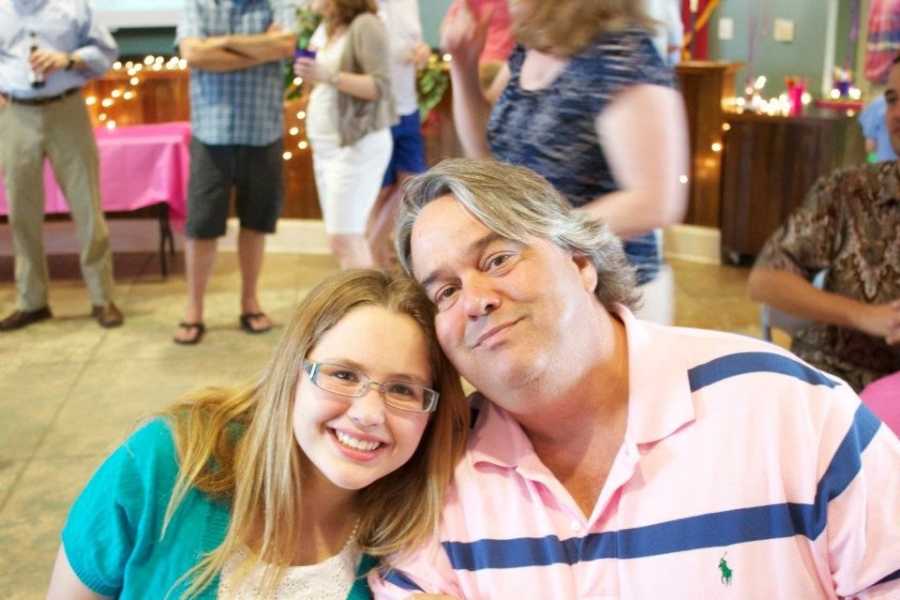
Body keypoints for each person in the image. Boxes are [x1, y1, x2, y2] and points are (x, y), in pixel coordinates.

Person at [369, 158, 900, 598]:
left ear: (579, 262)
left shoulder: (791, 412)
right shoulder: (442, 478)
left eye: (499, 258)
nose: (475, 300)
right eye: (444, 292)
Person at [46, 269, 469, 599]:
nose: (369, 413)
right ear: (292, 372)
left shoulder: (413, 544)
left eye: (402, 390)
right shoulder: (167, 461)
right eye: (342, 374)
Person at [440, 0, 688, 324]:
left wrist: (532, 235)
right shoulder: (531, 47)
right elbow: (486, 152)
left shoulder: (621, 54)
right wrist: (463, 66)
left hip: (608, 298)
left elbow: (655, 202)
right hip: (541, 283)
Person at [748, 57, 900, 393]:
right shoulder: (848, 191)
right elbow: (765, 280)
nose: (897, 114)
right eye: (892, 99)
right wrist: (863, 315)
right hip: (830, 394)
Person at [173, 0, 297, 344]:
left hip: (264, 130)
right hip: (210, 133)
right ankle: (193, 309)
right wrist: (261, 46)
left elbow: (286, 45)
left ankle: (249, 301)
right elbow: (193, 54)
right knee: (201, 226)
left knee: (256, 222)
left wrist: (220, 43)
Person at [0, 0, 123, 331]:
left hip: (67, 110)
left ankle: (102, 297)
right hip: (14, 114)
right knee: (21, 212)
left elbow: (106, 52)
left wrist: (68, 59)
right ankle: (32, 301)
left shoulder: (72, 6)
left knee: (87, 207)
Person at [294, 0, 396, 270]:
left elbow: (381, 86)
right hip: (326, 147)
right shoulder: (326, 28)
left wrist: (330, 76)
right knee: (342, 239)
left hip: (357, 146)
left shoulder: (366, 25)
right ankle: (361, 305)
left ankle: (367, 307)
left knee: (345, 238)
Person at [365, 0, 431, 268]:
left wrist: (423, 52)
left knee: (411, 182)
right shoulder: (360, 6)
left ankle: (371, 245)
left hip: (407, 105)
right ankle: (374, 258)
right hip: (374, 109)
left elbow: (417, 44)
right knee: (379, 191)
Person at [858, 94, 898, 162]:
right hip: (885, 165)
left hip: (884, 165)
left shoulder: (879, 104)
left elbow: (870, 145)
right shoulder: (879, 105)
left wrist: (873, 164)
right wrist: (873, 163)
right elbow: (871, 145)